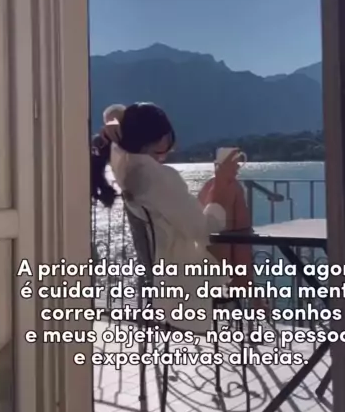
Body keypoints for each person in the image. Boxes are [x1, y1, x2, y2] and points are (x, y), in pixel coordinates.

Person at [91, 102, 241, 332]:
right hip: (182, 273)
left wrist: (112, 122)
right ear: (162, 138)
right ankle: (250, 295)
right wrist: (221, 187)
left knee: (221, 194)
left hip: (157, 272)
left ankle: (250, 295)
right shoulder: (158, 177)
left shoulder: (124, 164)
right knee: (234, 194)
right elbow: (205, 230)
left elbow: (113, 113)